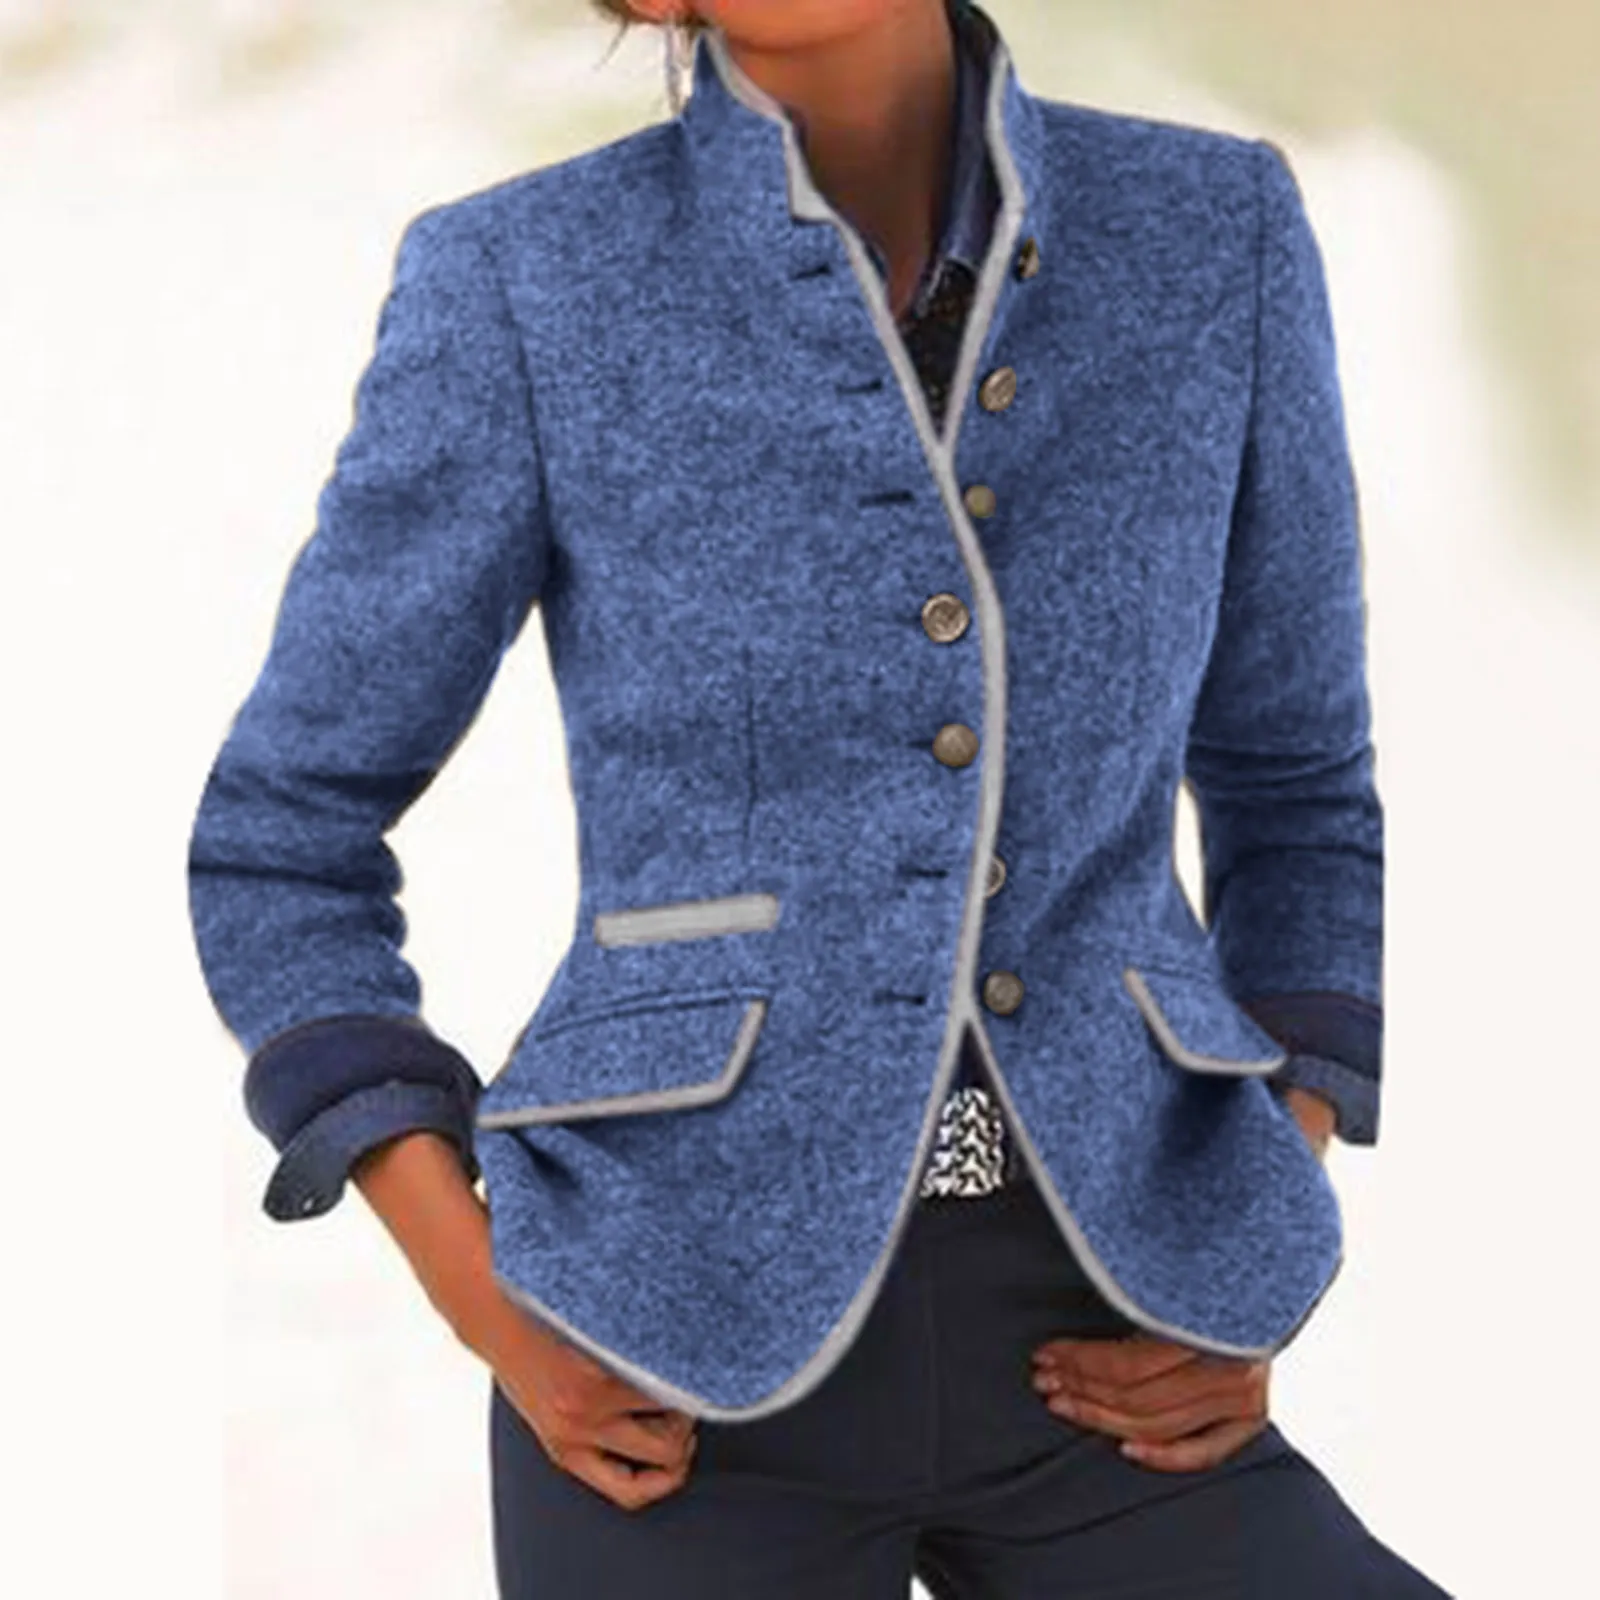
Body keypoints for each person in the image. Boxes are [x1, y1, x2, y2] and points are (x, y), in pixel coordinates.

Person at [186, 1, 1454, 1594]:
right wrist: (480, 1296)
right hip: (662, 1363)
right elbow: (283, 839)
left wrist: (1258, 1218)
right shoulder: (528, 277)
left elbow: (1296, 781)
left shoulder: (1214, 232)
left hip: (1121, 1334)